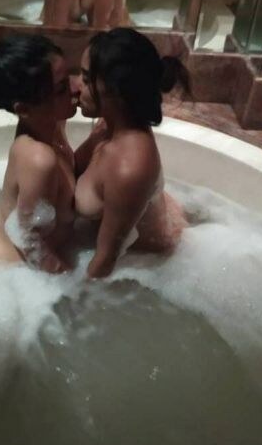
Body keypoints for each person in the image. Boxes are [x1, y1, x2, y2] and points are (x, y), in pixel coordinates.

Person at [0, 34, 77, 272]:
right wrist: (74, 281)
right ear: (24, 109)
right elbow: (29, 243)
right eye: (62, 88)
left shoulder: (51, 125)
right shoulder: (39, 159)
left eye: (69, 76)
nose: (75, 88)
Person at [74, 28, 190, 278]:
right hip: (153, 215)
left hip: (150, 263)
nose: (76, 86)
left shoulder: (129, 168)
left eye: (86, 79)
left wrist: (65, 297)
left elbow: (104, 263)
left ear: (115, 89)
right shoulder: (108, 126)